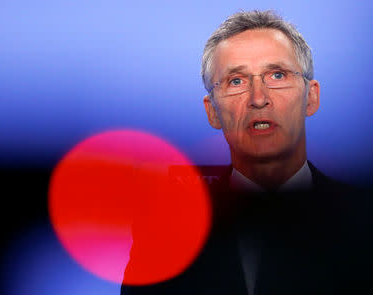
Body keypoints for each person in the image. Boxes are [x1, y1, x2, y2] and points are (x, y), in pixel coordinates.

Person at [122, 10, 360, 295]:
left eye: (277, 74)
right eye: (236, 81)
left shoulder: (372, 221)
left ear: (311, 97)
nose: (258, 99)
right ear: (212, 111)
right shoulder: (164, 235)